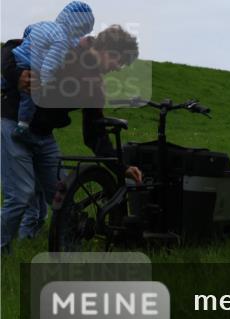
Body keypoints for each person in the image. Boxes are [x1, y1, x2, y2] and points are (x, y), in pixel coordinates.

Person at [1, 24, 143, 254]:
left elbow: (94, 134)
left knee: (63, 195)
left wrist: (121, 167)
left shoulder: (95, 86)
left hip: (43, 135)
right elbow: (10, 47)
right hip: (12, 122)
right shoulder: (68, 46)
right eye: (119, 61)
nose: (118, 68)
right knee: (20, 195)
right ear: (108, 49)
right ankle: (2, 253)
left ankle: (40, 245)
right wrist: (15, 76)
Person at [7, 1, 95, 145]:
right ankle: (22, 127)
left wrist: (27, 43)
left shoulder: (45, 24)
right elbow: (49, 64)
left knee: (8, 81)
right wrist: (44, 84)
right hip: (29, 64)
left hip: (18, 54)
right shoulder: (62, 41)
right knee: (29, 95)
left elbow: (28, 30)